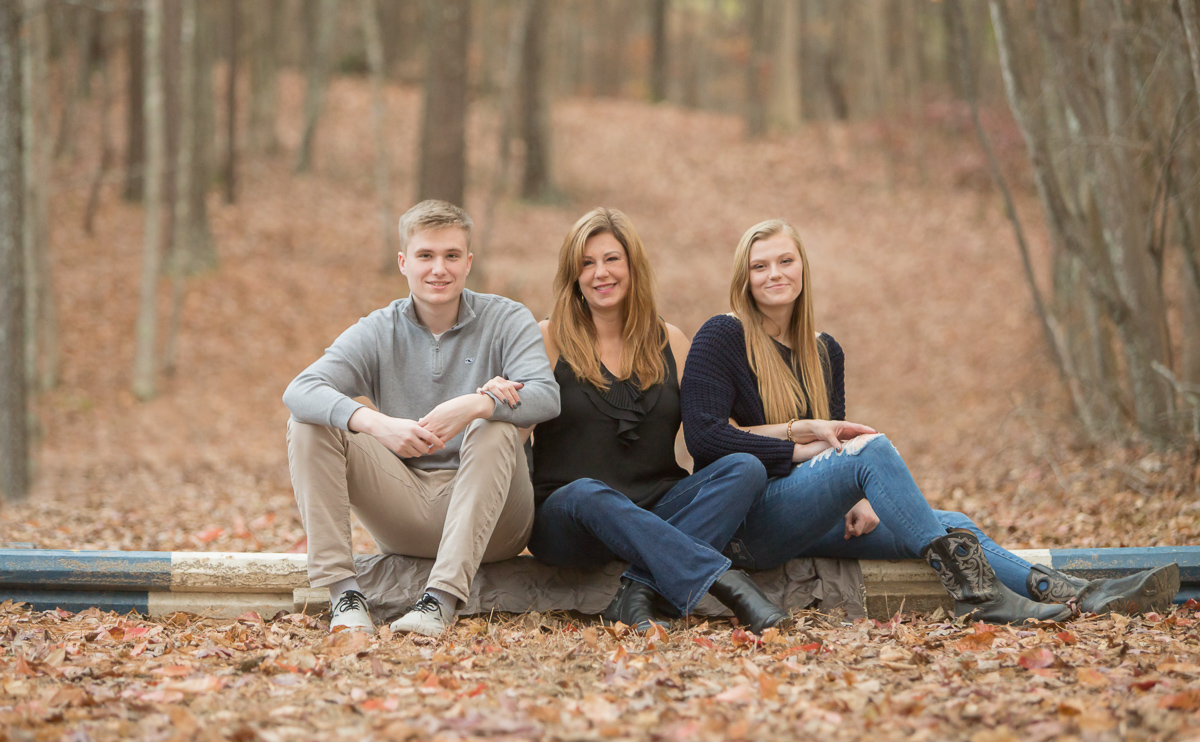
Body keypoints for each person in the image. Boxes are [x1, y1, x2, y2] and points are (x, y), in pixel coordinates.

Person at [680, 219, 1179, 623]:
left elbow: (836, 442)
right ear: (744, 278)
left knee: (954, 525)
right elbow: (705, 440)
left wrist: (855, 497)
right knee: (872, 448)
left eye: (785, 261)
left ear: (803, 268)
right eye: (760, 266)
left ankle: (1078, 593)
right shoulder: (722, 336)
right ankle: (979, 596)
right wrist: (808, 453)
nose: (775, 274)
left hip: (813, 518)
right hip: (751, 522)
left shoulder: (824, 351)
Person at [483, 208, 786, 634]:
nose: (600, 273)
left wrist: (802, 437)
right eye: (586, 263)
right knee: (590, 493)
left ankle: (635, 591)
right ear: (573, 275)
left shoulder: (673, 341)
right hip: (569, 518)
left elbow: (716, 432)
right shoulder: (546, 338)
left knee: (744, 467)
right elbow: (510, 439)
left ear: (632, 267)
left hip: (658, 506)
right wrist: (494, 401)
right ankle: (726, 581)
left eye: (611, 259)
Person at [283, 200, 559, 636]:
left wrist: (477, 404)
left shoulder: (507, 318)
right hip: (406, 507)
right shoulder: (378, 330)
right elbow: (299, 389)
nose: (439, 269)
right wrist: (374, 423)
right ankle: (343, 595)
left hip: (496, 522)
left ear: (468, 262)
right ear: (403, 262)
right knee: (308, 423)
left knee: (494, 426)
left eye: (451, 256)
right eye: (425, 256)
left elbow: (547, 396)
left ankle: (440, 601)